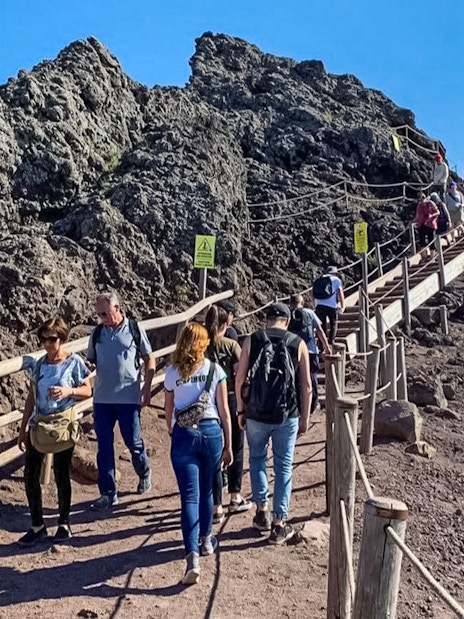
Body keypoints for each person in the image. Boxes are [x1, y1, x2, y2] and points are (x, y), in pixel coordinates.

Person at [235, 303, 312, 545]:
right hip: (286, 414)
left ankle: (261, 512)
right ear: (287, 321)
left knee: (257, 459)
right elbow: (307, 385)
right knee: (283, 466)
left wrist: (240, 409)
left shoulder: (252, 340)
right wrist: (305, 417)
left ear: (267, 320)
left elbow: (240, 378)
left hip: (256, 413)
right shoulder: (298, 343)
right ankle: (279, 524)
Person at [164, 322, 232, 585]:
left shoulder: (172, 372)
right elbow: (224, 409)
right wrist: (228, 444)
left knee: (189, 497)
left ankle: (191, 556)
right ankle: (206, 540)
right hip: (212, 431)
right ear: (204, 343)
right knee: (207, 491)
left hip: (184, 434)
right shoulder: (215, 370)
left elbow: (169, 410)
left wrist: (173, 431)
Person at [17, 317, 92, 546]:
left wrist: (68, 391)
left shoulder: (74, 362)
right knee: (30, 474)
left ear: (62, 338)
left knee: (61, 474)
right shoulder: (39, 365)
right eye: (43, 339)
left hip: (62, 425)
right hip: (39, 424)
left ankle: (63, 523)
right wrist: (22, 429)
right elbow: (32, 396)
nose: (47, 344)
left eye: (52, 339)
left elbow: (87, 390)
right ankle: (37, 525)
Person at [87, 292, 155, 510]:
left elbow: (149, 357)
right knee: (104, 446)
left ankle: (144, 471)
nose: (101, 318)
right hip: (102, 399)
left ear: (117, 308)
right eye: (98, 314)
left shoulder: (134, 328)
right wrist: (88, 367)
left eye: (105, 313)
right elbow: (92, 361)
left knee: (133, 442)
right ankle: (108, 493)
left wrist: (147, 387)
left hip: (128, 397)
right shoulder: (97, 333)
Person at [204, 305, 251, 524]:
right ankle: (235, 495)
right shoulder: (232, 345)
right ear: (225, 325)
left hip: (207, 401)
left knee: (214, 451)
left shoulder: (201, 347)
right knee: (236, 446)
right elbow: (241, 375)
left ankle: (215, 505)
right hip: (231, 397)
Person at [288, 293, 331, 413]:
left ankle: (297, 406)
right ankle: (313, 404)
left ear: (290, 303)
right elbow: (320, 331)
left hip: (293, 351)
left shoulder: (287, 315)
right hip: (310, 351)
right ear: (302, 303)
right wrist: (326, 346)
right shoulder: (310, 313)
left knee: (295, 378)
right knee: (312, 377)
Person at [313, 266, 345, 345]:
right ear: (334, 273)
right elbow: (340, 292)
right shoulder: (336, 280)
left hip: (319, 305)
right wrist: (342, 306)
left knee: (321, 325)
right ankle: (331, 342)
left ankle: (322, 343)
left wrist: (315, 305)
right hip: (331, 306)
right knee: (333, 324)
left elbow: (313, 293)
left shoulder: (318, 280)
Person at [412, 192, 439, 260]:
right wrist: (412, 222)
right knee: (422, 241)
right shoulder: (419, 206)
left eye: (423, 197)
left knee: (431, 239)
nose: (422, 200)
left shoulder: (430, 203)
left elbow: (438, 212)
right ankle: (424, 256)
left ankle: (432, 256)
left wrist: (431, 215)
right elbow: (417, 216)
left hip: (430, 224)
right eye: (420, 198)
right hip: (422, 224)